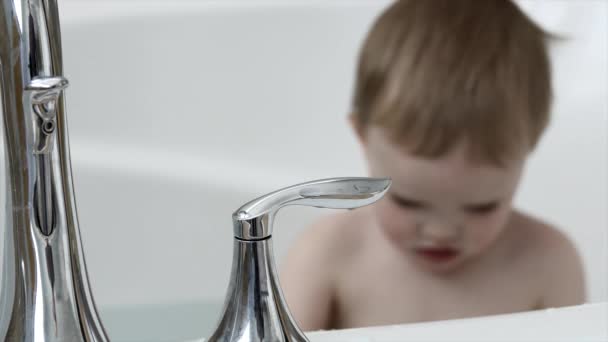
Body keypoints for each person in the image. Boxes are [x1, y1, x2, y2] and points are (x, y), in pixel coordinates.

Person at [280, 0, 586, 331]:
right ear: (362, 137)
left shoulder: (548, 263)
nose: (441, 232)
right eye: (407, 201)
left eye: (481, 207)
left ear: (532, 144)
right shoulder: (328, 255)